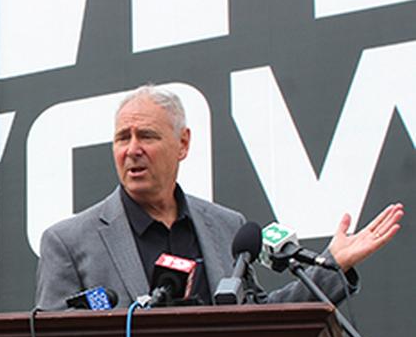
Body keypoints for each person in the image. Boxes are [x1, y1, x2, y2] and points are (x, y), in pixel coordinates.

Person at [34, 85, 404, 310]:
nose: (132, 149)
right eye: (122, 138)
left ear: (183, 144)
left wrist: (332, 264)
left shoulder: (228, 228)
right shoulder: (68, 241)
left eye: (146, 136)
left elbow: (259, 321)